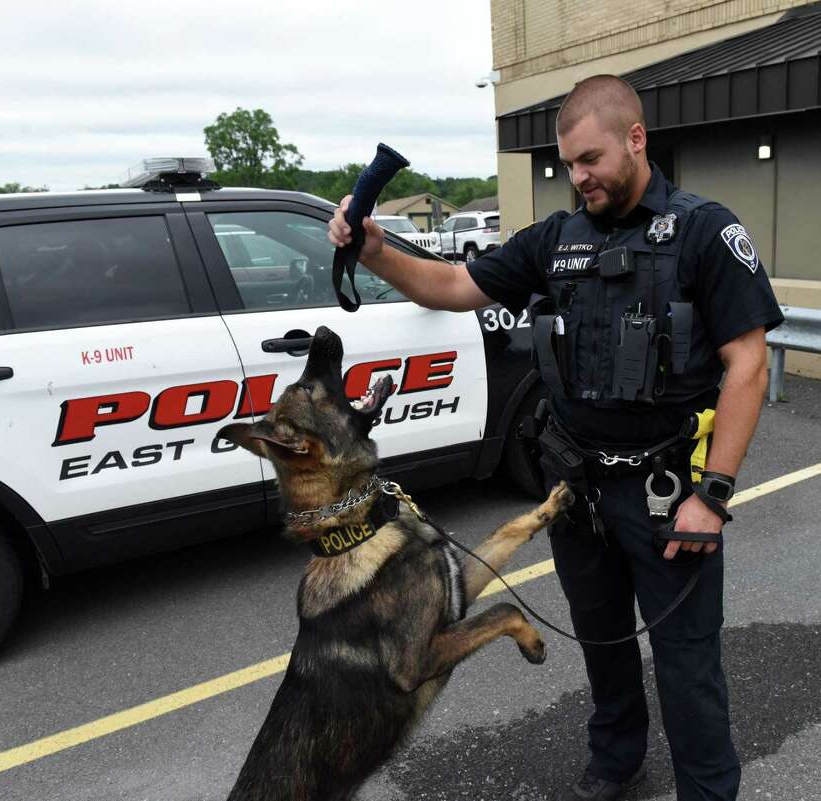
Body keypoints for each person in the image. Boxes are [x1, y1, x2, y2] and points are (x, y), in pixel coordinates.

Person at [329, 74, 783, 801]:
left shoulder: (704, 232)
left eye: (591, 159)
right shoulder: (554, 239)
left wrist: (713, 496)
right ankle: (616, 759)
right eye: (569, 163)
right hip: (576, 490)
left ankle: (708, 788)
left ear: (636, 139)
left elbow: (748, 363)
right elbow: (451, 286)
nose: (579, 177)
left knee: (687, 660)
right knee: (602, 642)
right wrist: (377, 250)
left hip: (670, 494)